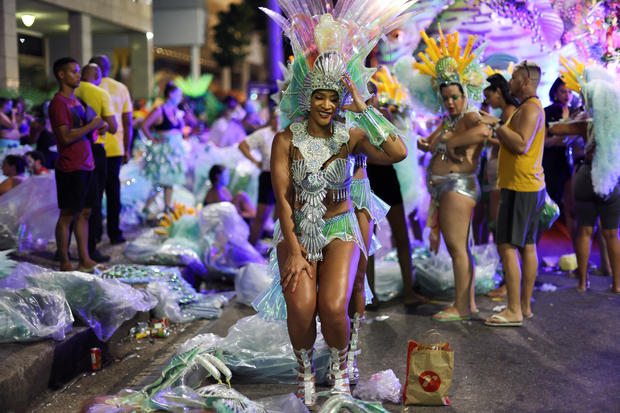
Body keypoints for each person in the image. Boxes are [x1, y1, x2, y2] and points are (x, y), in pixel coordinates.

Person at [252, 2, 410, 406]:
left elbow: (397, 153)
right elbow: (283, 200)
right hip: (299, 230)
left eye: (333, 97)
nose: (326, 104)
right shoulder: (285, 140)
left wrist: (364, 109)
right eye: (320, 96)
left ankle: (341, 369)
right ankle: (305, 372)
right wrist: (291, 251)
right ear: (308, 98)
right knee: (302, 311)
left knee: (333, 307)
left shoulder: (351, 134)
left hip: (341, 225)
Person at [413, 29, 490, 321]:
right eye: (445, 97)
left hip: (458, 186)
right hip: (447, 187)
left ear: (464, 93)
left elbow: (484, 131)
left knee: (457, 248)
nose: (450, 102)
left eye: (455, 97)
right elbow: (431, 143)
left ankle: (459, 307)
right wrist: (429, 142)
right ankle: (467, 302)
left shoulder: (469, 115)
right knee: (462, 247)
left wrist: (448, 143)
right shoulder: (451, 119)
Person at [481, 60, 546, 326]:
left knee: (507, 245)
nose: (511, 81)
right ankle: (524, 307)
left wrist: (496, 125)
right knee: (527, 245)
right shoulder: (526, 107)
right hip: (525, 185)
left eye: (515, 77)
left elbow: (520, 144)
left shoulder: (530, 108)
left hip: (521, 186)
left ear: (526, 81)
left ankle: (514, 310)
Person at [548, 62, 620, 293]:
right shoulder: (615, 121)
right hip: (610, 179)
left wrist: (575, 118)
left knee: (585, 230)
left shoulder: (586, 121)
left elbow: (557, 129)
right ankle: (617, 284)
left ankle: (582, 282)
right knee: (611, 233)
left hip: (586, 173)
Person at [49, 57, 106, 272]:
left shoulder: (77, 102)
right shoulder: (58, 103)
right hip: (70, 166)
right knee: (67, 215)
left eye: (77, 71)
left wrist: (97, 127)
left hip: (88, 163)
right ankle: (64, 260)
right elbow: (65, 136)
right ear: (61, 75)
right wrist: (91, 124)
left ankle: (85, 258)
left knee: (85, 213)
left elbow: (90, 127)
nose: (78, 75)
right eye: (73, 71)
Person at [75, 63, 117, 263]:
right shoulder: (100, 93)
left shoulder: (68, 95)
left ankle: (64, 250)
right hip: (94, 148)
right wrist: (105, 124)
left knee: (71, 205)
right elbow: (113, 127)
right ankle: (90, 249)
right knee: (93, 202)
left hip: (72, 150)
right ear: (98, 75)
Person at [90, 55, 134, 245]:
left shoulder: (87, 88)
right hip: (115, 148)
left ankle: (96, 233)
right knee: (114, 191)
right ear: (108, 68)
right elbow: (127, 121)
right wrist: (127, 148)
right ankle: (115, 233)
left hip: (93, 147)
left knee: (95, 192)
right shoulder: (120, 88)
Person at [482, 73, 518, 298]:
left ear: (498, 92)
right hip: (496, 175)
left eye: (489, 96)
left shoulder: (509, 112)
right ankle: (507, 279)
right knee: (497, 227)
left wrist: (485, 137)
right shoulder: (504, 112)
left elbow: (511, 142)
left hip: (502, 178)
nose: (489, 102)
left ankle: (509, 282)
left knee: (501, 229)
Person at [141, 83, 186, 215]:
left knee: (169, 181)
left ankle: (167, 207)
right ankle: (147, 207)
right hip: (164, 152)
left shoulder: (176, 111)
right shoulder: (160, 110)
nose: (180, 97)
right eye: (178, 94)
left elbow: (181, 128)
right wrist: (153, 139)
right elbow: (144, 125)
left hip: (174, 151)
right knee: (160, 182)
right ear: (171, 94)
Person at [543, 77, 580, 239]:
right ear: (555, 93)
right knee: (544, 207)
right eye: (563, 91)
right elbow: (542, 142)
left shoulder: (577, 112)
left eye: (570, 92)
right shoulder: (547, 111)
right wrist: (558, 141)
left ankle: (575, 249)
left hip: (570, 163)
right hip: (550, 162)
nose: (567, 95)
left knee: (572, 209)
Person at [238, 109, 278, 245]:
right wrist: (255, 162)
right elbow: (243, 145)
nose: (278, 121)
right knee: (262, 215)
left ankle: (278, 252)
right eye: (276, 118)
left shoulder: (289, 133)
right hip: (268, 176)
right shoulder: (264, 134)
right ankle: (251, 246)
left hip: (285, 178)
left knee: (281, 217)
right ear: (272, 119)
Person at [27, 101, 58, 169]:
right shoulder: (39, 123)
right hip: (43, 156)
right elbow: (32, 140)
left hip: (56, 156)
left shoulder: (58, 122)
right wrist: (36, 130)